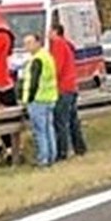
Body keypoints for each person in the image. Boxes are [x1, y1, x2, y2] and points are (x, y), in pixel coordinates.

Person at [18, 32, 59, 167]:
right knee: (49, 129)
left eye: (29, 43)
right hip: (49, 98)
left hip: (38, 100)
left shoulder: (37, 59)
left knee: (39, 131)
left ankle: (43, 159)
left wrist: (27, 99)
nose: (26, 46)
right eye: (25, 43)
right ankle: (52, 156)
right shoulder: (47, 57)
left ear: (38, 43)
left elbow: (33, 82)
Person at [50, 23, 87, 160]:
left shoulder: (58, 44)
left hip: (63, 88)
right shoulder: (67, 44)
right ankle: (80, 148)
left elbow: (57, 67)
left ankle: (62, 152)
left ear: (55, 31)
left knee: (61, 121)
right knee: (72, 120)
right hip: (71, 86)